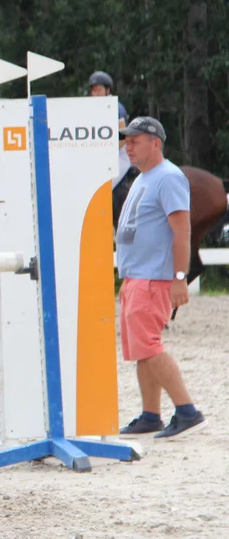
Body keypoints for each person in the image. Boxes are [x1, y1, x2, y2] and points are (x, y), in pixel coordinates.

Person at [116, 116, 206, 439]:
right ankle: (150, 415)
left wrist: (179, 276)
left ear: (156, 143)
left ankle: (187, 410)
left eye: (135, 140)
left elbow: (182, 230)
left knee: (150, 348)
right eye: (127, 141)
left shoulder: (168, 178)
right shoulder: (143, 177)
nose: (128, 146)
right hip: (136, 278)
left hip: (152, 279)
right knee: (142, 350)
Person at [88, 71, 135, 190]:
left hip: (120, 155)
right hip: (103, 154)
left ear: (107, 90)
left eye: (99, 90)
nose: (95, 94)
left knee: (103, 187)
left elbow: (122, 138)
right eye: (93, 91)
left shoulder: (117, 108)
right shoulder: (91, 109)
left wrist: (106, 152)